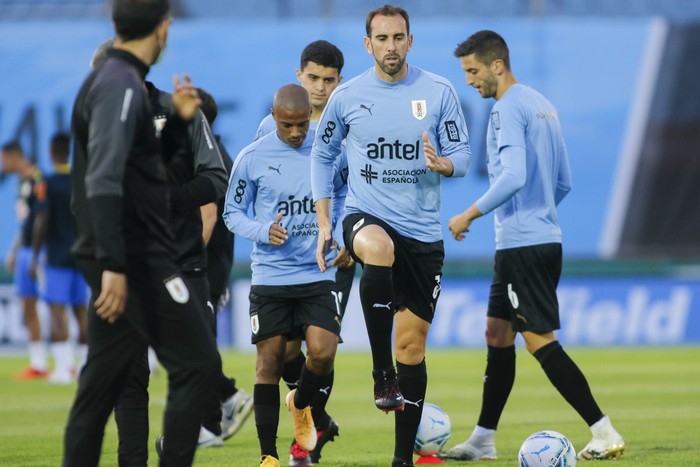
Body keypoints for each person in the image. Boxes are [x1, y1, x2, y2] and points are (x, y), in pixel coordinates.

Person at [440, 30, 625, 462]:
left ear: (496, 66)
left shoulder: (506, 110)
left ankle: (604, 430)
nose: (469, 81)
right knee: (497, 333)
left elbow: (513, 176)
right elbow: (564, 182)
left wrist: (470, 213)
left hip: (523, 244)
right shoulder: (543, 105)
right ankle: (483, 439)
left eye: (473, 71)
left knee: (538, 339)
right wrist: (538, 216)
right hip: (535, 239)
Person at [310, 6, 472, 466]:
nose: (391, 47)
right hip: (366, 215)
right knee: (377, 248)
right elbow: (322, 159)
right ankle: (381, 372)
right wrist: (326, 220)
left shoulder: (438, 91)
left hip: (422, 232)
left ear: (410, 40)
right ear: (368, 45)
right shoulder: (347, 96)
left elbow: (461, 152)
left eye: (398, 37)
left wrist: (446, 164)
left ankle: (403, 458)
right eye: (382, 39)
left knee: (413, 348)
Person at [63, 0, 221, 465]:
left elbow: (139, 172)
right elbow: (105, 180)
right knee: (198, 364)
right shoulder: (121, 85)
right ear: (164, 28)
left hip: (121, 252)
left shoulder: (113, 80)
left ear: (115, 26)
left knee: (100, 385)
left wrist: (177, 127)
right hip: (132, 256)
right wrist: (114, 264)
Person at [223, 84, 347, 467]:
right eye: (288, 125)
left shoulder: (328, 153)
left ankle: (302, 401)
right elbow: (232, 213)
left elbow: (345, 195)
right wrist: (263, 230)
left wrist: (339, 234)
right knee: (269, 364)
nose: (296, 133)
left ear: (311, 115)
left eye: (302, 125)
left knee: (323, 353)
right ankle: (268, 455)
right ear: (274, 118)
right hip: (272, 278)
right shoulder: (252, 157)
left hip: (317, 271)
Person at [254, 39, 348, 467]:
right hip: (285, 265)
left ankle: (299, 448)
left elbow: (354, 188)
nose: (320, 88)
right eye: (313, 78)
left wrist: (348, 237)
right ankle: (316, 418)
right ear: (299, 77)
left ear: (339, 82)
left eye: (329, 80)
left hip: (332, 257)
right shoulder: (268, 130)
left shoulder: (347, 126)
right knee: (290, 355)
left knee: (322, 350)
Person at [197, 89, 256, 444]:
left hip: (202, 266)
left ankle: (224, 401)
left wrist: (185, 262)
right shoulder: (213, 153)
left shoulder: (211, 158)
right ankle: (213, 418)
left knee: (196, 342)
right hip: (208, 264)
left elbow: (209, 218)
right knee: (197, 340)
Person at [29, 132, 89, 384]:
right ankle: (87, 366)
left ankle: (64, 368)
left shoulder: (47, 183)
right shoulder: (82, 180)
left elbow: (42, 219)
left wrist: (34, 254)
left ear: (52, 152)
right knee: (81, 312)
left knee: (56, 312)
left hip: (57, 256)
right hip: (82, 254)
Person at [1, 140, 47, 380]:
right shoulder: (21, 182)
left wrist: (39, 253)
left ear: (14, 156)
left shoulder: (38, 179)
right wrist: (14, 250)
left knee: (57, 304)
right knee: (28, 304)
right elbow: (26, 223)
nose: (2, 165)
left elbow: (43, 219)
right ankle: (38, 363)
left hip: (41, 251)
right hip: (26, 250)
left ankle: (69, 361)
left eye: (3, 159)